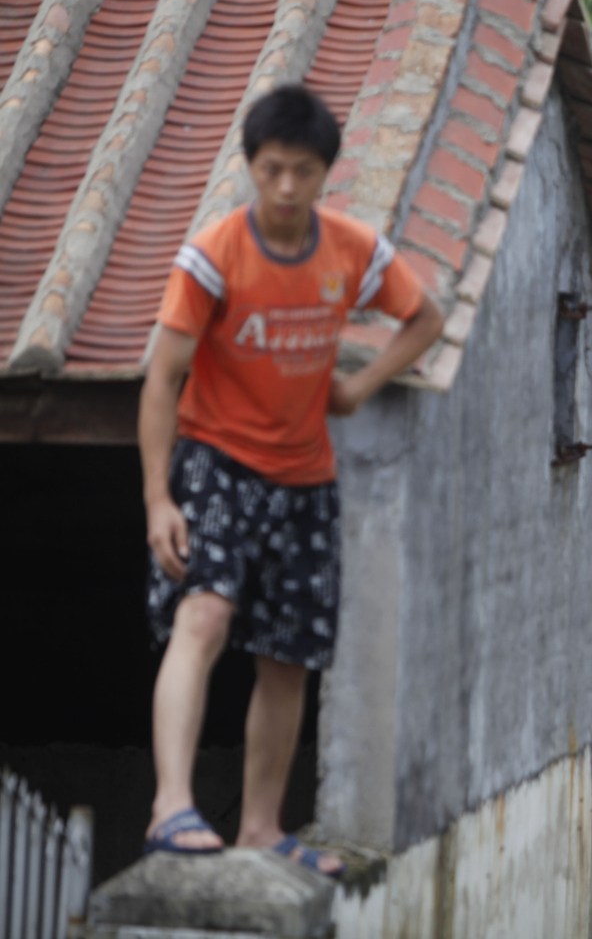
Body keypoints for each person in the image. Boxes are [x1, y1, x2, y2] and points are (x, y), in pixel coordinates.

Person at [138, 86, 445, 873]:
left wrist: (357, 387)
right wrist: (158, 498)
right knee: (203, 616)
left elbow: (425, 318)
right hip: (216, 463)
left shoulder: (350, 250)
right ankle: (171, 806)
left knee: (290, 654)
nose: (284, 187)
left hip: (306, 477)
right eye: (271, 169)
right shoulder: (213, 256)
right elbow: (162, 379)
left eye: (302, 171)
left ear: (323, 174)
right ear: (250, 166)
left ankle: (260, 828)